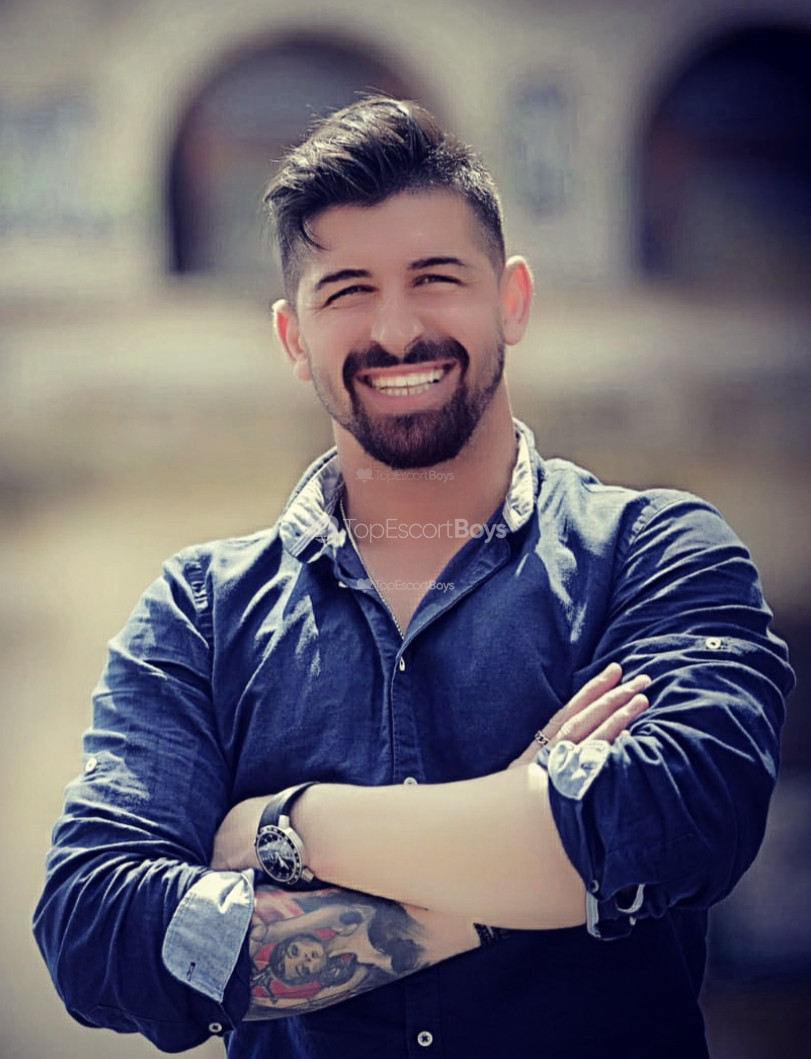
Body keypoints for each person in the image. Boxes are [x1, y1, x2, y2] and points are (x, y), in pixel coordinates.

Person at [34, 96, 794, 1059]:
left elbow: (682, 815)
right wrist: (519, 854)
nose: (395, 330)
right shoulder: (200, 612)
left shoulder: (655, 552)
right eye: (347, 290)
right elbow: (98, 931)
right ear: (292, 337)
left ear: (511, 300)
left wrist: (290, 824)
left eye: (435, 278)